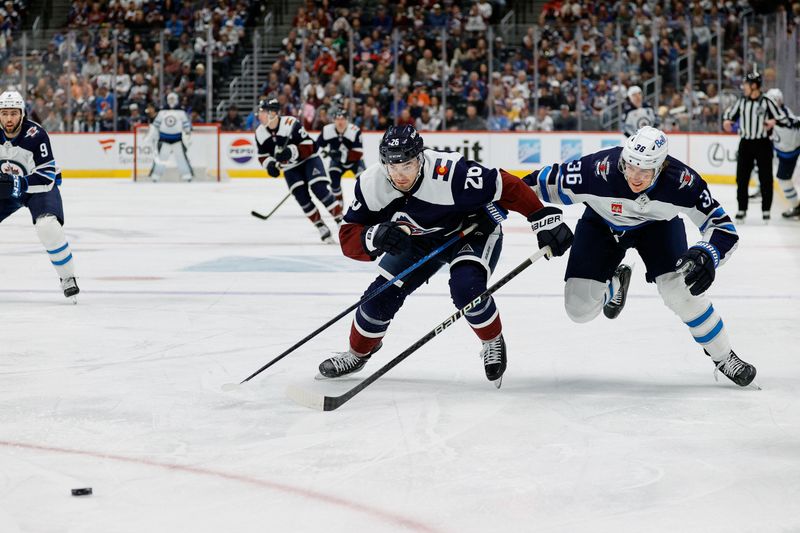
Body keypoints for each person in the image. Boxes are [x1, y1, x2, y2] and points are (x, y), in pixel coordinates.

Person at [317, 125, 574, 387]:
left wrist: (543, 219)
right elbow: (349, 235)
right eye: (392, 166)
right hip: (417, 241)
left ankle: (491, 340)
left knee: (467, 289)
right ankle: (357, 354)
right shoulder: (371, 184)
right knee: (377, 298)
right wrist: (373, 236)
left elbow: (506, 185)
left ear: (420, 158)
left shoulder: (449, 172)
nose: (399, 174)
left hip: (469, 232)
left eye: (406, 165)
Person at [523, 126, 756, 387]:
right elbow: (528, 186)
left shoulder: (683, 183)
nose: (634, 176)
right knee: (578, 310)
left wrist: (708, 253)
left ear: (661, 167)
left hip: (658, 228)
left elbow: (723, 227)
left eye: (644, 171)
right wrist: (538, 219)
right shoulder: (596, 170)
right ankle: (615, 282)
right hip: (601, 225)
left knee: (680, 292)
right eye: (629, 166)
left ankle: (724, 357)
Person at [0, 90, 79, 302]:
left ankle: (67, 277)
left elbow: (46, 176)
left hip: (37, 188)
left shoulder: (36, 134)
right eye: (4, 113)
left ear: (22, 113)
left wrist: (19, 183)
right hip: (5, 189)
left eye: (13, 113)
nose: (9, 119)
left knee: (47, 226)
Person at [255, 98, 343, 243]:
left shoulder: (290, 124)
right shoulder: (260, 133)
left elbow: (311, 145)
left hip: (309, 160)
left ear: (273, 113)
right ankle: (321, 226)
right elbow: (263, 155)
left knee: (319, 189)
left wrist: (291, 151)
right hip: (290, 167)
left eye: (263, 111)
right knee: (301, 196)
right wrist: (270, 165)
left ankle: (341, 221)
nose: (259, 115)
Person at [723, 71, 797, 222]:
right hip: (746, 143)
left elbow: (781, 117)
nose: (744, 87)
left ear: (754, 86)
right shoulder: (742, 101)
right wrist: (727, 122)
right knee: (741, 178)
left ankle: (766, 210)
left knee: (765, 178)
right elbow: (730, 115)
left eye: (746, 84)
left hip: (762, 144)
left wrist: (773, 121)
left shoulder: (767, 101)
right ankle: (742, 209)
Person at [314, 106, 365, 205]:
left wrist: (340, 154)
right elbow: (317, 147)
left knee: (364, 182)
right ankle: (338, 203)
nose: (340, 122)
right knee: (334, 179)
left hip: (355, 162)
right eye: (337, 119)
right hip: (337, 162)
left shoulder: (355, 131)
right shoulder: (327, 130)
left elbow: (358, 154)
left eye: (342, 119)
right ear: (333, 120)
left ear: (347, 120)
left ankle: (366, 204)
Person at [765, 88, 800, 219]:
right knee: (784, 180)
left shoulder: (784, 114)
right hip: (786, 153)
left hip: (794, 148)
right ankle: (796, 207)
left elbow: (790, 121)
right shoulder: (767, 116)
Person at [145, 92, 193, 182]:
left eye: (173, 99)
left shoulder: (181, 112)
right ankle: (156, 176)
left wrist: (188, 135)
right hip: (164, 139)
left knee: (181, 157)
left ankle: (187, 175)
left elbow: (187, 126)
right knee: (162, 158)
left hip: (177, 139)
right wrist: (150, 136)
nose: (171, 101)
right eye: (170, 99)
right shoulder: (162, 112)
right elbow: (155, 126)